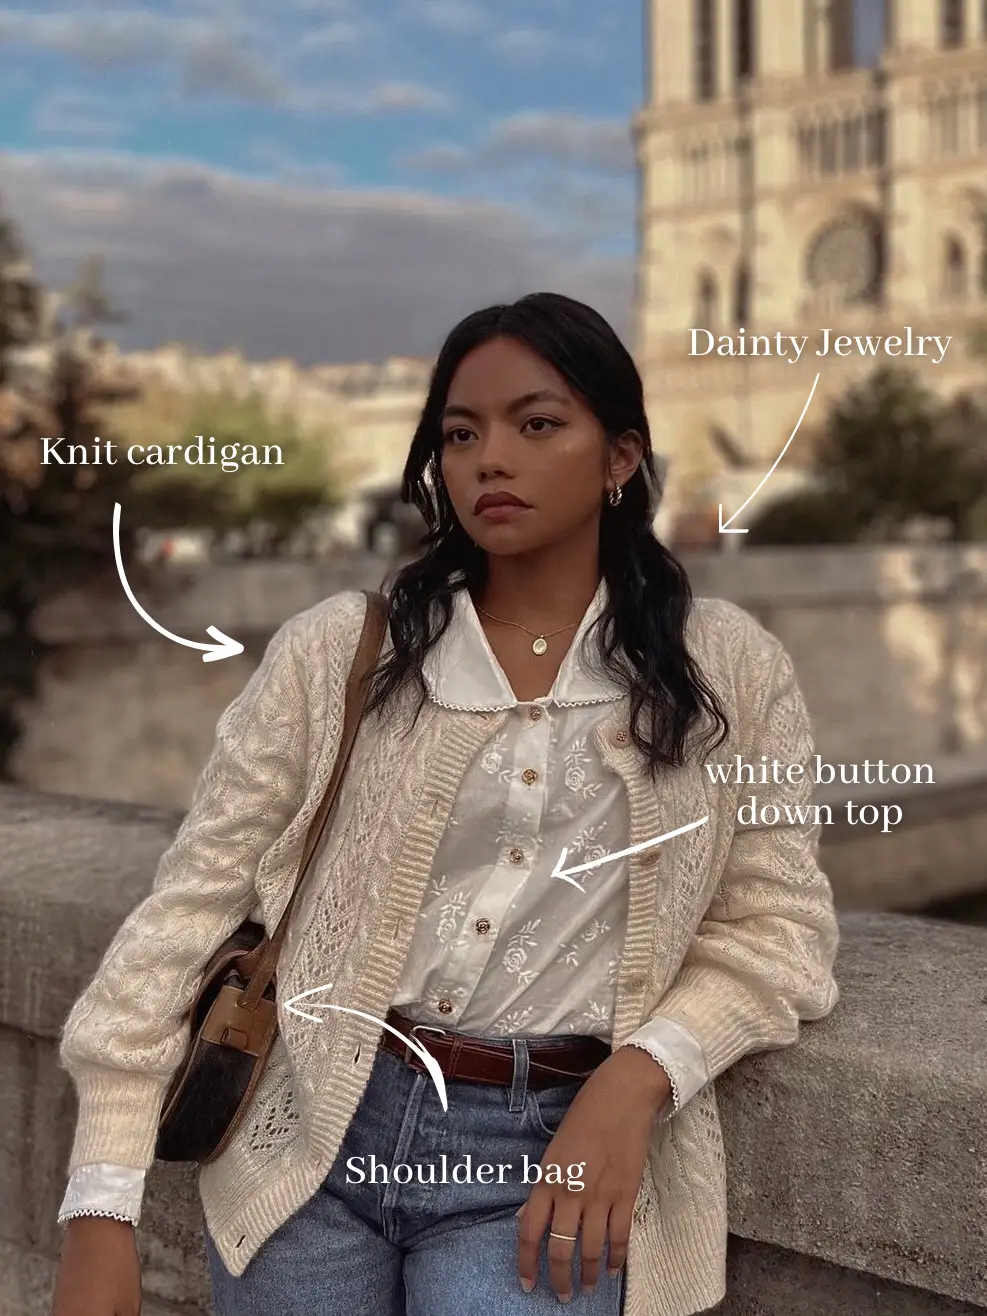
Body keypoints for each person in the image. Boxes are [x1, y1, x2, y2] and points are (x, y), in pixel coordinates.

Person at [51, 292, 839, 1316]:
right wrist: (101, 1202)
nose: (489, 459)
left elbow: (780, 929)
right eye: (461, 433)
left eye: (537, 423)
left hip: (546, 1159)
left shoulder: (729, 669)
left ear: (621, 458)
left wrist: (638, 1075)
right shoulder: (342, 651)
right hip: (309, 1143)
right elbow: (188, 908)